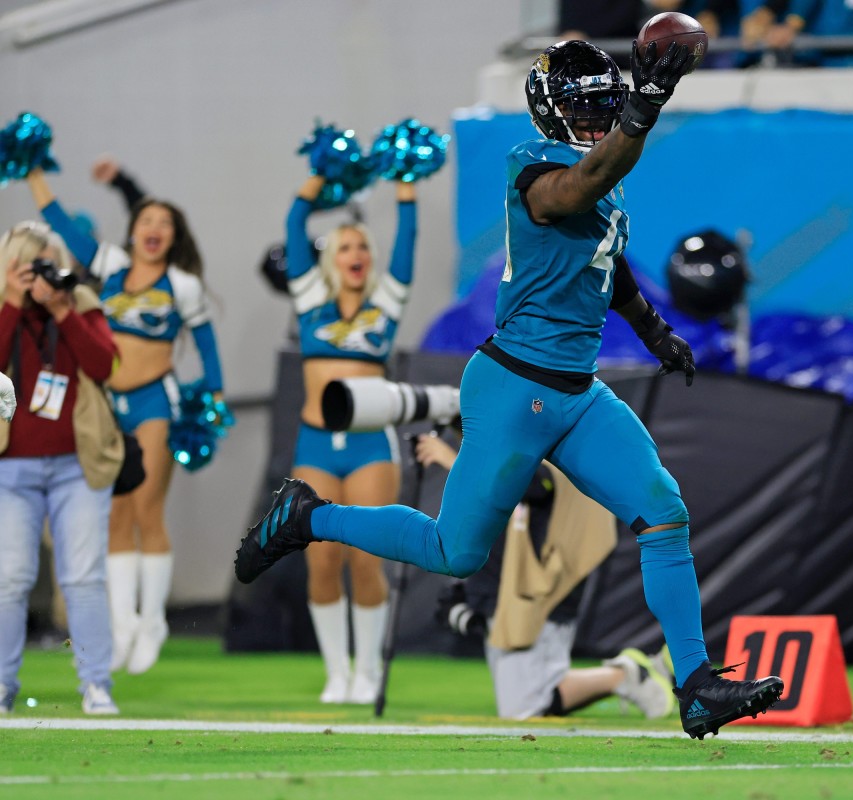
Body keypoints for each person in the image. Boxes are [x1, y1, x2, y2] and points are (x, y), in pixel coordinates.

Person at [236, 39, 784, 739]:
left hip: (578, 392)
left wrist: (654, 332)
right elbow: (579, 187)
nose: (596, 120)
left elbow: (607, 266)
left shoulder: (600, 176)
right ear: (552, 112)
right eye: (585, 108)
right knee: (454, 552)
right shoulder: (534, 169)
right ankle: (307, 517)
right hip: (514, 387)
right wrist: (643, 111)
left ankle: (696, 684)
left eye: (603, 108)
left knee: (663, 511)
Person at [22, 167, 226, 676]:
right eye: (147, 219)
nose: (154, 227)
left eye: (165, 223)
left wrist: (215, 397)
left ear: (172, 238)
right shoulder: (109, 262)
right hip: (108, 405)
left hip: (158, 400)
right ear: (134, 230)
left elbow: (206, 347)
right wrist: (33, 172)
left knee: (146, 510)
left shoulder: (181, 285)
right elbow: (61, 225)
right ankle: (122, 621)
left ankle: (153, 618)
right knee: (113, 516)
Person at [417, 433, 675, 721]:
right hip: (509, 591)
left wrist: (452, 460)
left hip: (535, 595)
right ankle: (626, 674)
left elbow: (520, 485)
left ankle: (624, 675)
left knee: (524, 708)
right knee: (529, 701)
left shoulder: (547, 453)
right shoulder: (532, 443)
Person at [282, 173, 421, 704]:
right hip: (315, 443)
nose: (356, 252)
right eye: (345, 246)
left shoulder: (383, 307)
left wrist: (405, 191)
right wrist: (313, 180)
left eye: (363, 245)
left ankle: (367, 672)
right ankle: (336, 673)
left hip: (368, 445)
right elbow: (294, 225)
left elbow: (406, 249)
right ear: (331, 259)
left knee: (366, 556)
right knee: (319, 557)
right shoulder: (311, 302)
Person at [0, 221, 120, 715]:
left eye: (48, 264)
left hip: (77, 464)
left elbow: (102, 364)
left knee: (85, 577)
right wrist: (11, 300)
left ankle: (96, 685)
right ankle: (2, 688)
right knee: (9, 578)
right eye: (28, 266)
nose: (39, 277)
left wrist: (60, 309)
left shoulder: (82, 306)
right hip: (11, 468)